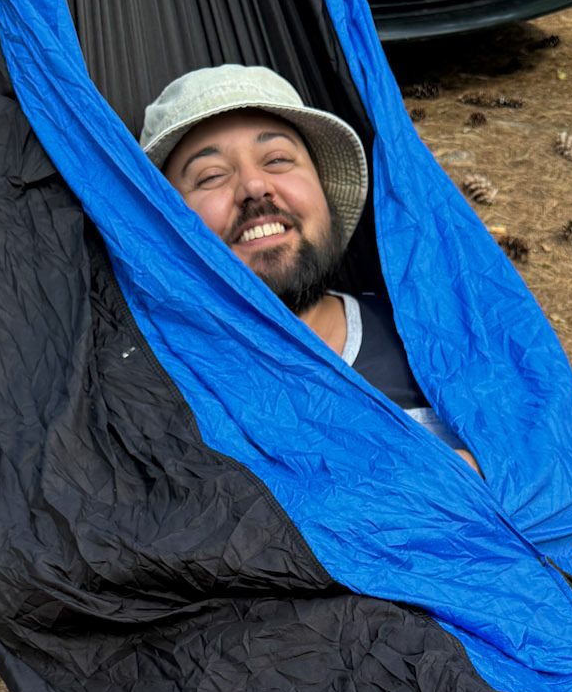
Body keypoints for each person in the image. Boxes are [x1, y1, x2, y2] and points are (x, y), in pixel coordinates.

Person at [140, 64, 474, 460]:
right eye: (210, 175)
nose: (254, 186)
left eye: (278, 159)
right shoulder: (155, 394)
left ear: (321, 191)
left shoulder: (430, 336)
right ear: (167, 228)